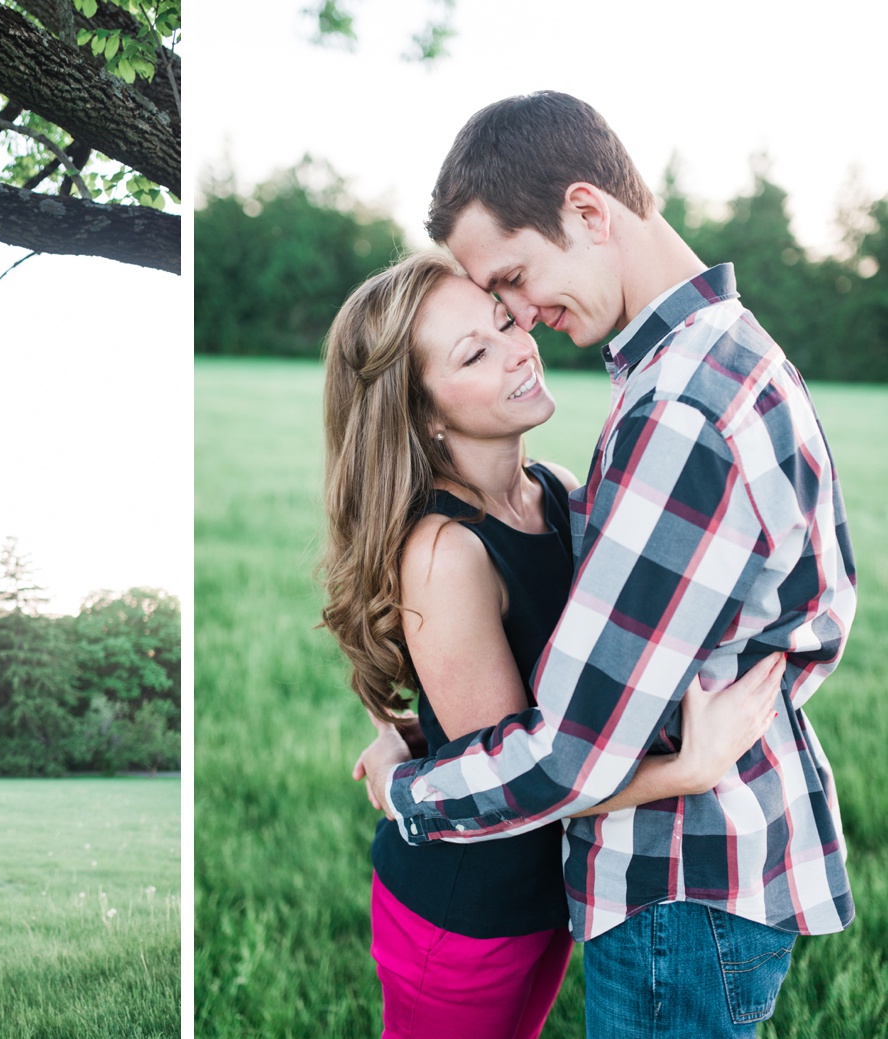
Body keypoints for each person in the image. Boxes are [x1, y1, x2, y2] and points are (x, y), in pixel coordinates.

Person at [360, 92, 856, 1038]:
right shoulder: (721, 357)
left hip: (681, 876)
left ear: (588, 213)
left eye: (513, 280)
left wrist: (407, 789)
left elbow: (571, 749)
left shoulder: (680, 407)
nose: (524, 319)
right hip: (701, 861)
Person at [323, 250, 784, 1039]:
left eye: (505, 322)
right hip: (465, 913)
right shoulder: (445, 552)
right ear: (424, 413)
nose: (518, 347)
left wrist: (415, 740)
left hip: (544, 899)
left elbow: (562, 693)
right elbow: (516, 783)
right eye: (474, 352)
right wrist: (686, 771)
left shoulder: (558, 491)